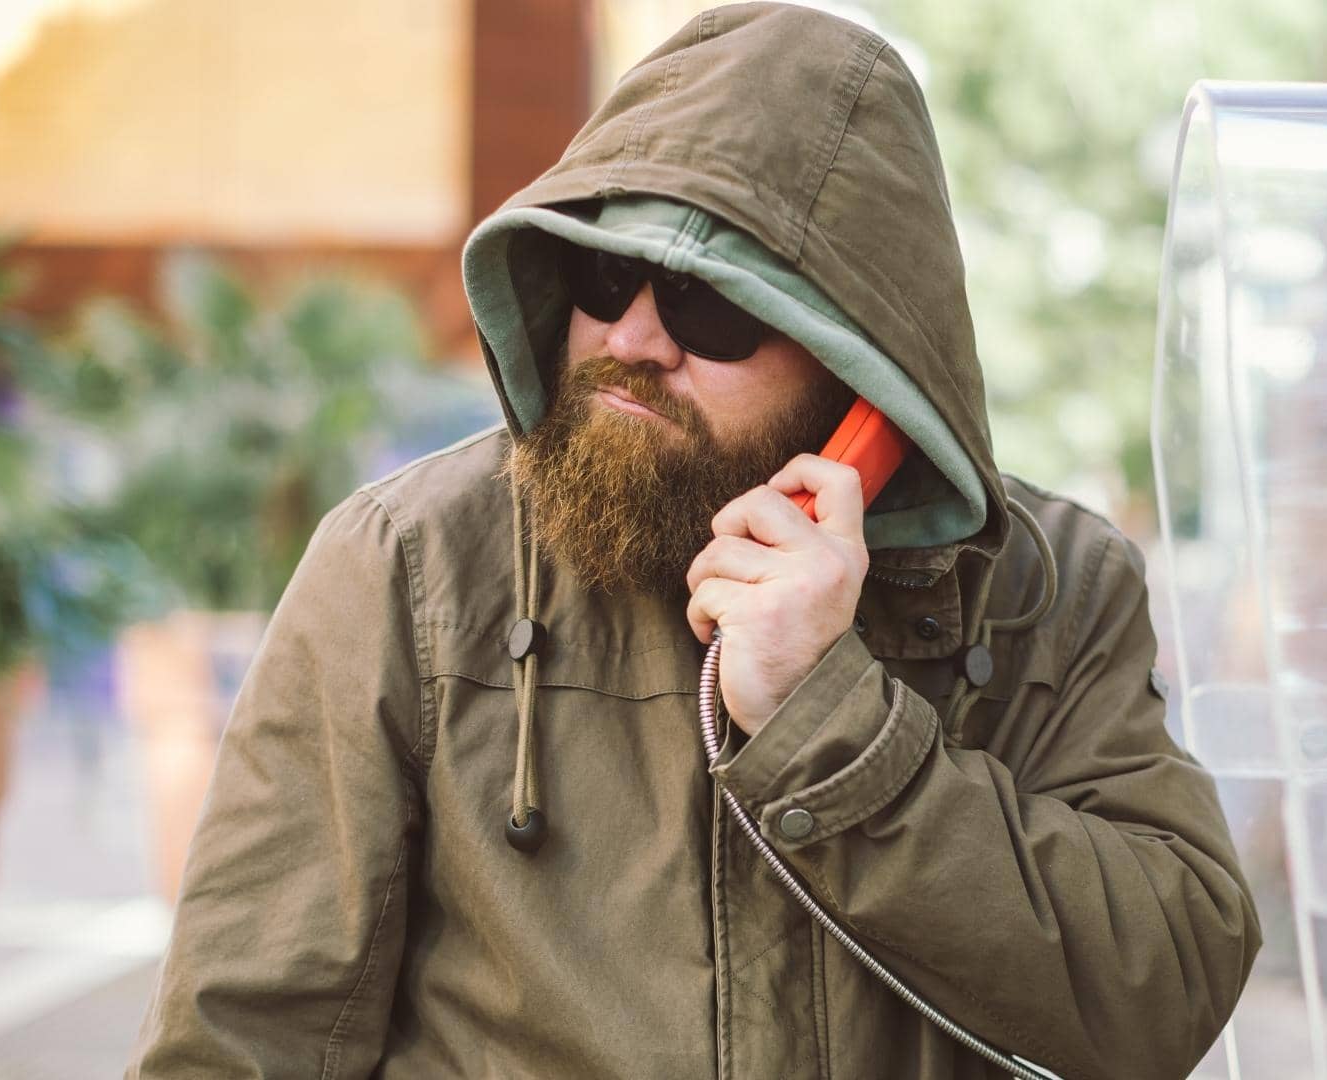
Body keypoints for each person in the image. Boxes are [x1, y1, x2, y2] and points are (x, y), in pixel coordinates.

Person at [126, 5, 1260, 1078]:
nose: (634, 336)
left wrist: (832, 723)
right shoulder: (407, 565)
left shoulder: (1047, 588)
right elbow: (241, 1039)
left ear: (863, 369)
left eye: (713, 306)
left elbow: (1167, 994)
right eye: (605, 273)